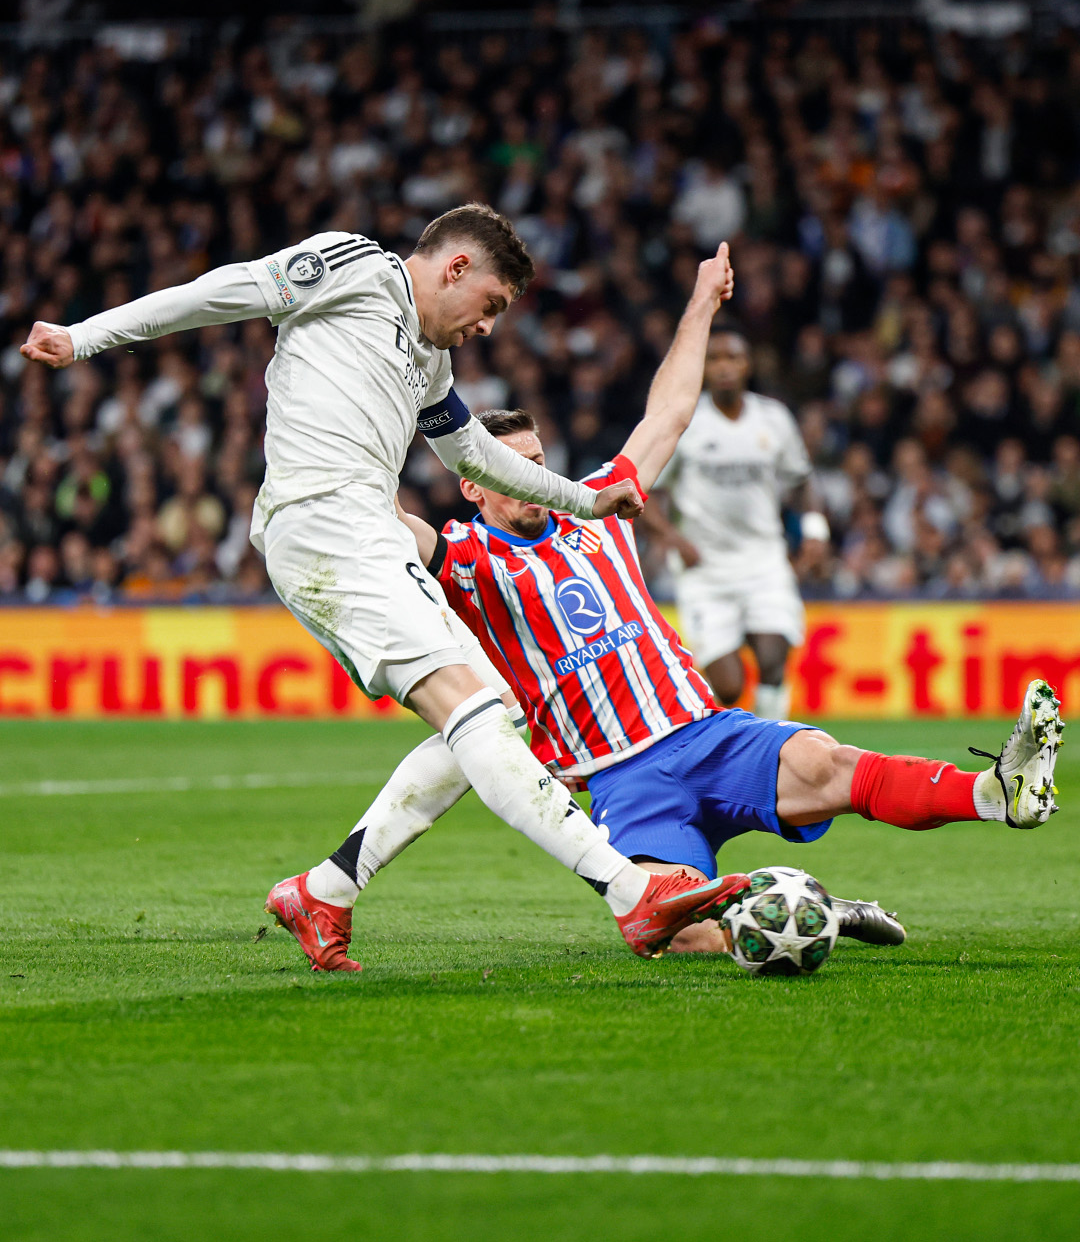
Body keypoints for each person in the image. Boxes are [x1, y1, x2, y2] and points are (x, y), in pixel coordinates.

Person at [287, 241, 1061, 971]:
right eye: (508, 470)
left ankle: (997, 795)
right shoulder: (464, 554)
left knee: (832, 765)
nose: (528, 479)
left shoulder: (598, 507)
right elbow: (370, 512)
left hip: (707, 733)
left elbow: (670, 414)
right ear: (472, 481)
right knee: (677, 933)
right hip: (626, 780)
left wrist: (701, 304)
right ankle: (809, 910)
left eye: (537, 463)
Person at [21, 205, 750, 969]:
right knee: (476, 710)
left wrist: (585, 499)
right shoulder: (354, 267)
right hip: (321, 520)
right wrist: (84, 337)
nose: (489, 328)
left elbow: (471, 452)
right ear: (456, 268)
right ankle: (632, 895)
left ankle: (326, 891)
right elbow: (224, 290)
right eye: (491, 306)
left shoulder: (431, 363)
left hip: (364, 525)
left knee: (500, 706)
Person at [642, 330, 825, 719]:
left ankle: (776, 750)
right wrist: (673, 538)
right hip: (705, 567)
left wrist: (814, 530)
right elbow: (645, 492)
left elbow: (802, 480)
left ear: (748, 365)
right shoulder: (686, 422)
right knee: (729, 687)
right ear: (705, 368)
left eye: (733, 358)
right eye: (716, 359)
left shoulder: (773, 418)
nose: (724, 367)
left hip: (764, 560)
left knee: (774, 661)